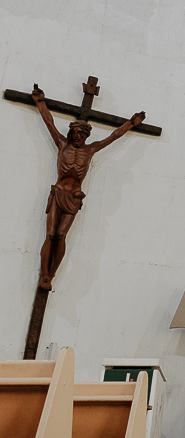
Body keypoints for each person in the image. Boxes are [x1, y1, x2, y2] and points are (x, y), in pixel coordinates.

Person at [31, 85, 145, 289]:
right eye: (75, 133)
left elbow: (114, 136)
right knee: (50, 234)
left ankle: (52, 274)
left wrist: (130, 123)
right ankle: (43, 273)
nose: (77, 137)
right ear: (71, 133)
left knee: (61, 235)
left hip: (74, 197)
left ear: (86, 136)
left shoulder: (91, 150)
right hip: (58, 193)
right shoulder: (62, 144)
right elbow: (50, 123)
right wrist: (41, 103)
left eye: (81, 134)